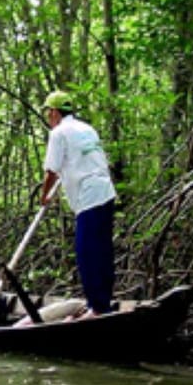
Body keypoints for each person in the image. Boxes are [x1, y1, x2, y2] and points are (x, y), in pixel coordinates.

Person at [40, 90, 117, 319]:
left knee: (87, 253)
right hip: (106, 193)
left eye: (48, 113)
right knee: (103, 251)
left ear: (54, 112)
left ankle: (97, 308)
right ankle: (103, 302)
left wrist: (44, 197)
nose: (48, 117)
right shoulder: (87, 129)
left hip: (89, 197)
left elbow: (51, 171)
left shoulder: (59, 133)